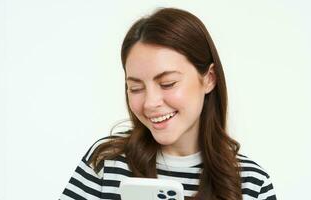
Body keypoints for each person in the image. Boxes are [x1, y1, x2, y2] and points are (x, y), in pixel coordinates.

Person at [60, 7, 276, 200]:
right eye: (135, 88)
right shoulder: (106, 164)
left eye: (167, 83)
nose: (150, 103)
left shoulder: (251, 184)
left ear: (209, 78)